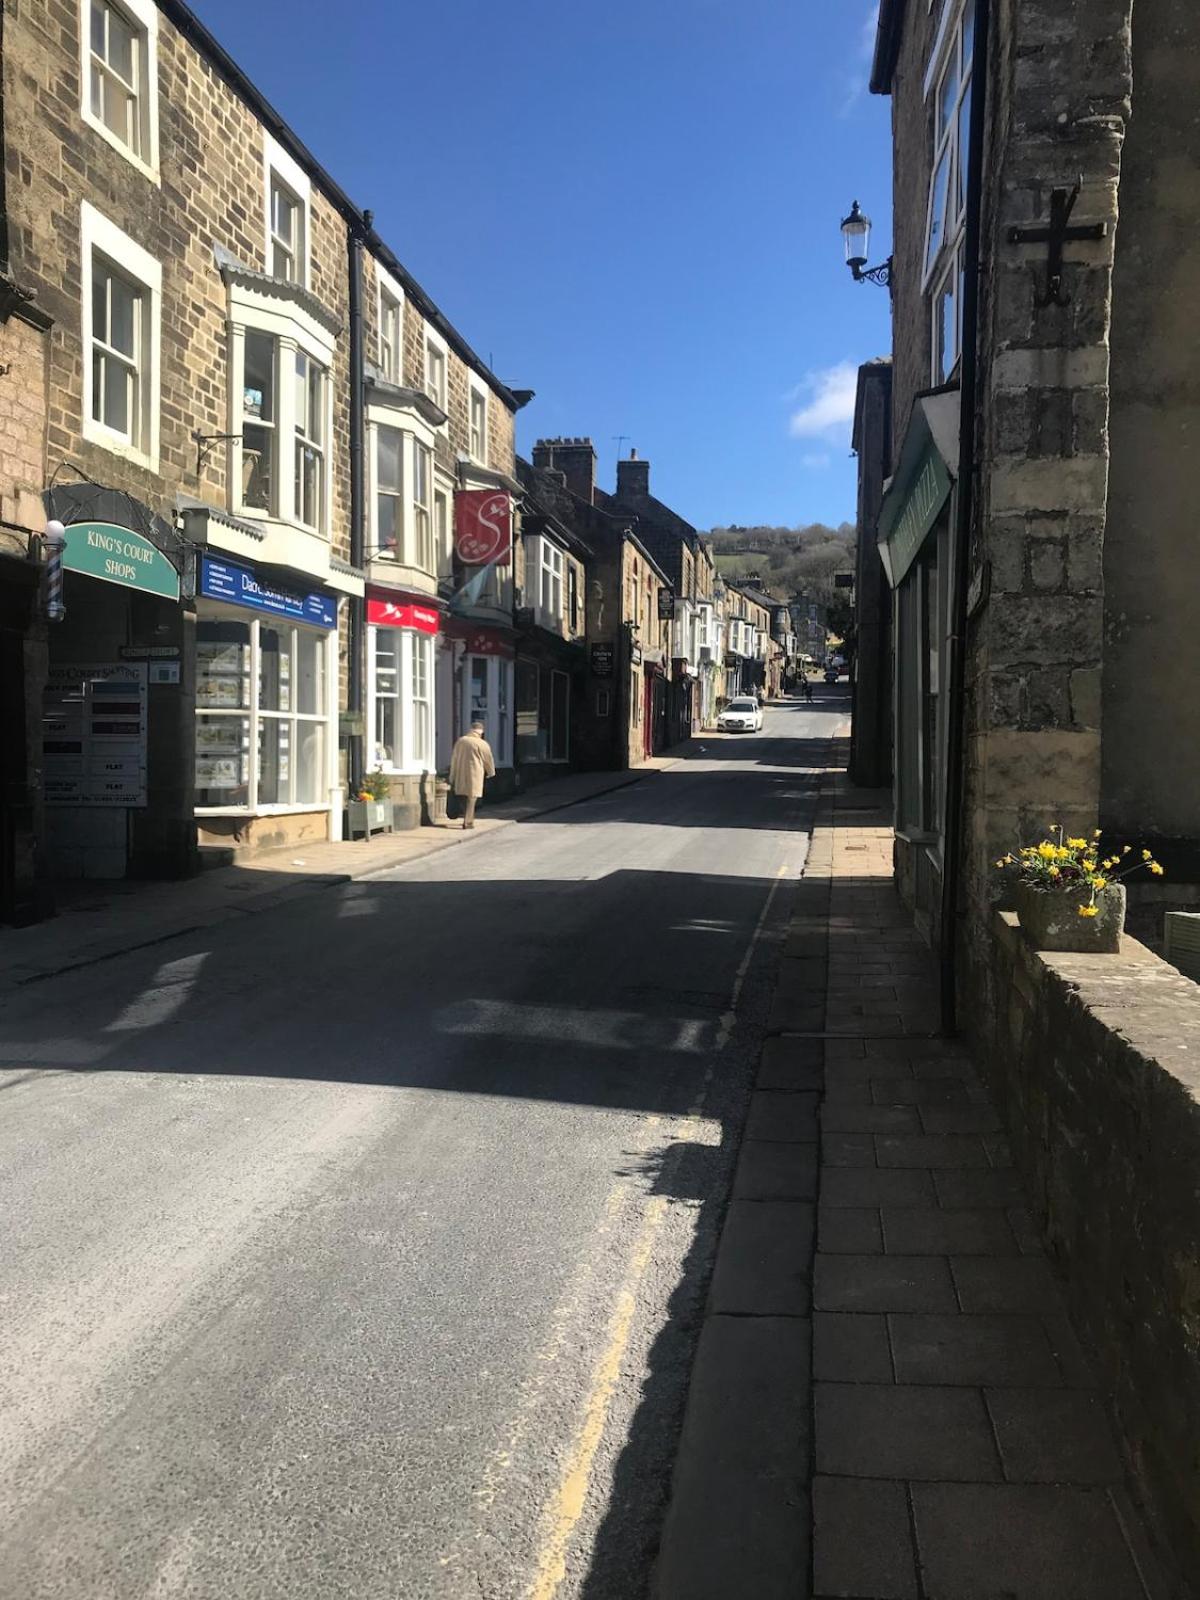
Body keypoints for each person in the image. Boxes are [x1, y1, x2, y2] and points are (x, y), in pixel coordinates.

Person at [449, 719, 495, 830]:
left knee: (463, 797)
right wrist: (491, 772)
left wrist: (452, 775)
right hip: (475, 774)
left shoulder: (460, 741)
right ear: (480, 732)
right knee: (472, 798)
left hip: (460, 773)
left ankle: (466, 817)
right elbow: (488, 759)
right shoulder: (482, 743)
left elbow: (454, 759)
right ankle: (468, 822)